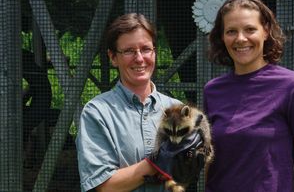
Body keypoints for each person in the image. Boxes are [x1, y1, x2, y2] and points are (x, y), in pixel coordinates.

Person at [203, 0, 294, 192]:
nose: (240, 38)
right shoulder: (212, 90)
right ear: (222, 37)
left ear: (266, 31)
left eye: (250, 29)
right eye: (231, 31)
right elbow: (211, 162)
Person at [76, 13, 201, 192]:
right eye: (128, 51)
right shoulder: (97, 112)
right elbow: (103, 186)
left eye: (146, 49)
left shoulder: (177, 109)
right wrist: (156, 162)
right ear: (113, 57)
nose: (140, 58)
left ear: (155, 52)